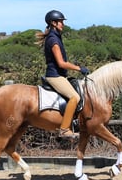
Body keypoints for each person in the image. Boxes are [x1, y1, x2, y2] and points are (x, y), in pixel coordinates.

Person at [36, 10, 89, 138]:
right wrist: (79, 68)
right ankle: (64, 129)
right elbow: (61, 63)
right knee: (74, 97)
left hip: (59, 75)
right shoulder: (53, 40)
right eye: (60, 22)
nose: (62, 24)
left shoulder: (56, 37)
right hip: (55, 76)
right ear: (53, 23)